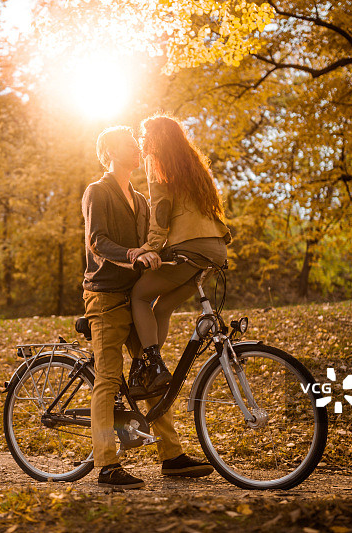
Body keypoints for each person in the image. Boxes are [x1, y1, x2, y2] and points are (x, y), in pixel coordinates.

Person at [82, 125, 214, 489]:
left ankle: (171, 456)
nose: (137, 149)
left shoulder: (140, 199)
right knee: (108, 379)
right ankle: (107, 466)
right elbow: (97, 242)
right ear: (109, 150)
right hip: (105, 296)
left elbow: (150, 244)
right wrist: (132, 255)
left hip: (133, 295)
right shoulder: (97, 191)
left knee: (151, 375)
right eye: (128, 144)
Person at [127, 115, 231, 397]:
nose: (142, 141)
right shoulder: (190, 162)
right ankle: (145, 369)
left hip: (190, 246)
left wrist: (151, 246)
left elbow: (161, 207)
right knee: (162, 308)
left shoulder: (157, 160)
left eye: (145, 135)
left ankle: (151, 365)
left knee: (139, 295)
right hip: (215, 248)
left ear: (156, 138)